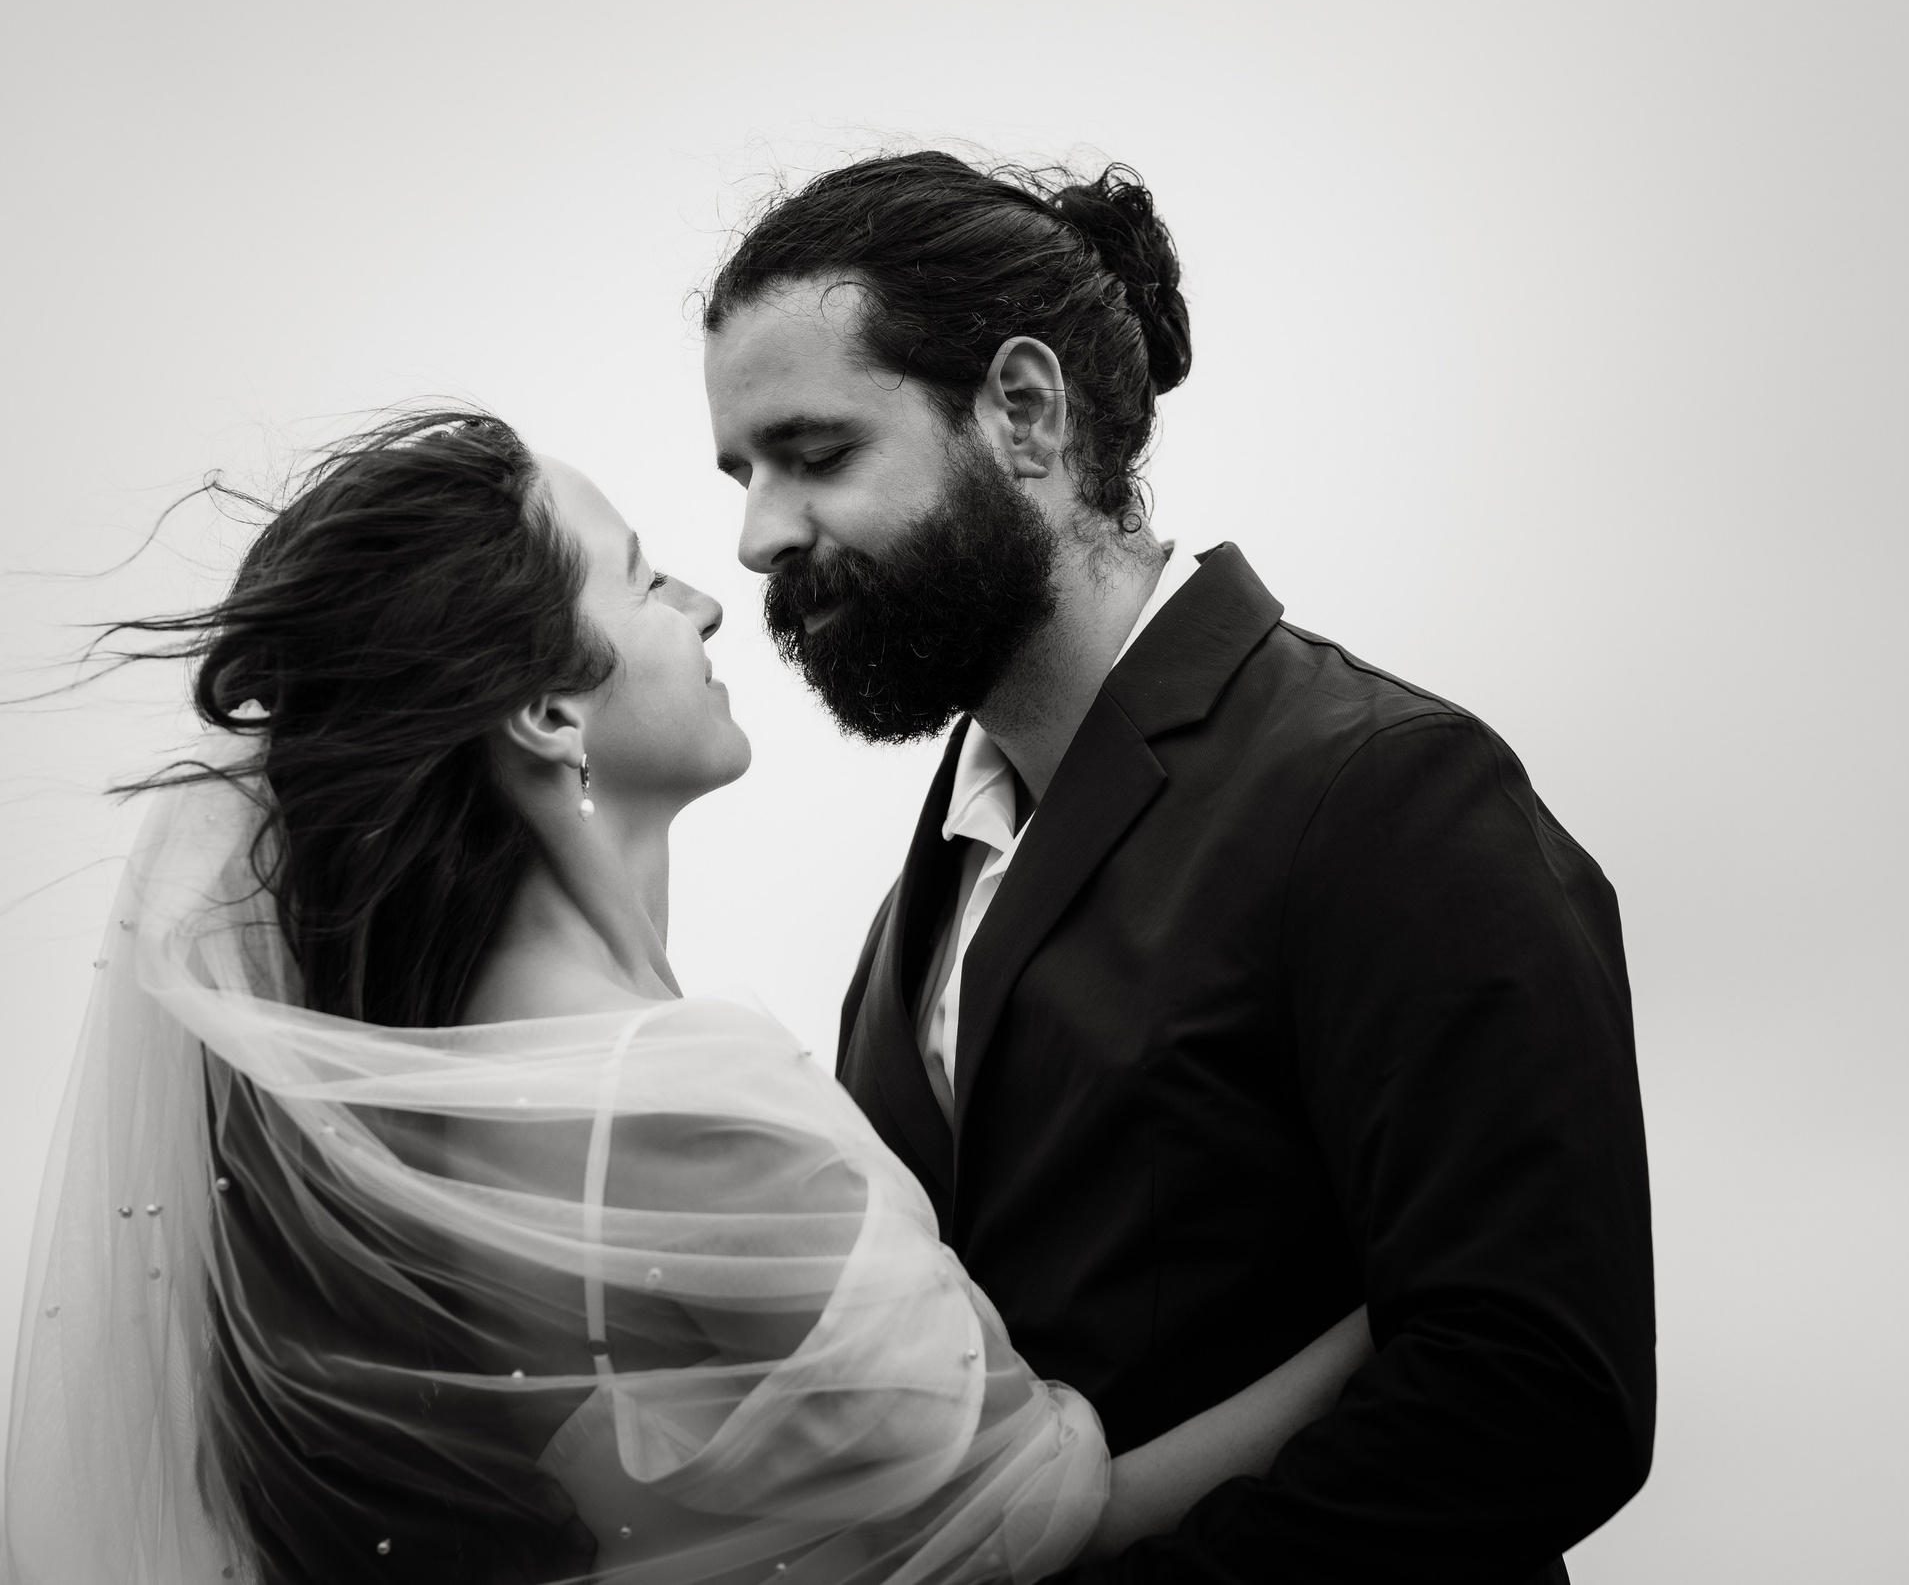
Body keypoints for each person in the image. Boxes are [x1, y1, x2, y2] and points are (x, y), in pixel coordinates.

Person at [0, 413, 1374, 1585]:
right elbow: (1043, 1520)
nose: (710, 602)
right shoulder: (681, 1095)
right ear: (545, 710)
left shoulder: (379, 1137)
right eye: (645, 581)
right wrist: (1406, 1310)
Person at [702, 152, 1657, 1584]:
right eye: (743, 472)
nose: (760, 534)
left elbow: (1535, 1382)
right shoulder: (921, 903)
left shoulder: (1383, 789)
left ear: (1023, 411)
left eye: (816, 453)